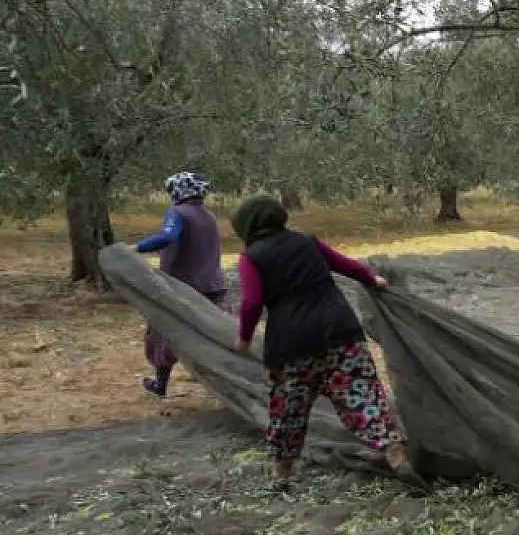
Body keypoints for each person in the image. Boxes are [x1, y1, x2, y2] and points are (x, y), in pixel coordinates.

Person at [230, 195, 422, 487]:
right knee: (363, 395)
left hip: (291, 344)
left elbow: (252, 302)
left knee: (288, 407)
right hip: (339, 331)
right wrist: (373, 279)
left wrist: (244, 338)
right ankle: (393, 450)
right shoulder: (307, 242)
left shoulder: (252, 258)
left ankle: (282, 470)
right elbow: (345, 265)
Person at [135, 170, 228, 398]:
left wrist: (137, 248)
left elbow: (168, 237)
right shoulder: (209, 216)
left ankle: (160, 383)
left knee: (163, 332)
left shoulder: (177, 213)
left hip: (181, 287)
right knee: (210, 334)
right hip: (212, 285)